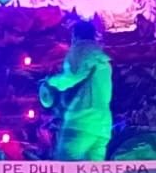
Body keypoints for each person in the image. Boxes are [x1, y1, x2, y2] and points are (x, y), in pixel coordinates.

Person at [39, 20, 113, 160]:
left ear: (75, 35)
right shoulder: (103, 59)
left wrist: (51, 82)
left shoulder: (81, 49)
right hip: (102, 126)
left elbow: (71, 77)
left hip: (81, 121)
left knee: (67, 168)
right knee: (94, 172)